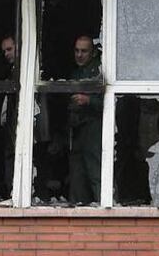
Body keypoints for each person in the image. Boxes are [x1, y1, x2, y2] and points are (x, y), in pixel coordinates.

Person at [68, 35, 103, 204]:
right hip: (77, 130)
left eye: (84, 51)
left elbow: (113, 101)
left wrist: (89, 101)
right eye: (76, 51)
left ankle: (105, 206)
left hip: (95, 128)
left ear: (93, 52)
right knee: (77, 174)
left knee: (96, 171)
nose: (79, 55)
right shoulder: (75, 73)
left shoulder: (100, 71)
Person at [0, 35, 17, 195]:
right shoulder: (12, 71)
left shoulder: (25, 69)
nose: (6, 54)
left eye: (9, 49)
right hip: (12, 123)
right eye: (4, 51)